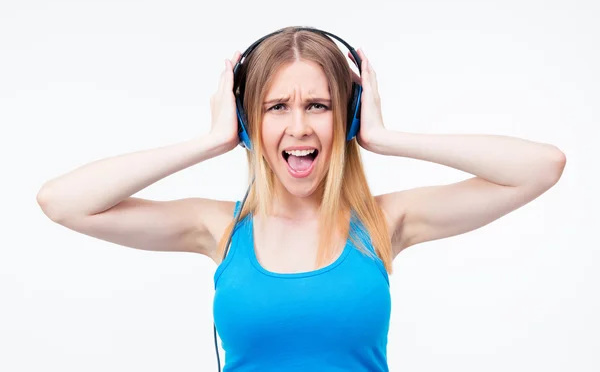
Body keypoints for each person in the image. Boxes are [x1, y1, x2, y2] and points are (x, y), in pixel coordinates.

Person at [36, 26, 566, 372]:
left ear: (347, 117)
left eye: (318, 105)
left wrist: (385, 137)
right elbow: (62, 202)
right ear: (248, 121)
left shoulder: (386, 223)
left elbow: (541, 168)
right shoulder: (218, 229)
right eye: (275, 107)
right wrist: (211, 140)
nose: (298, 128)